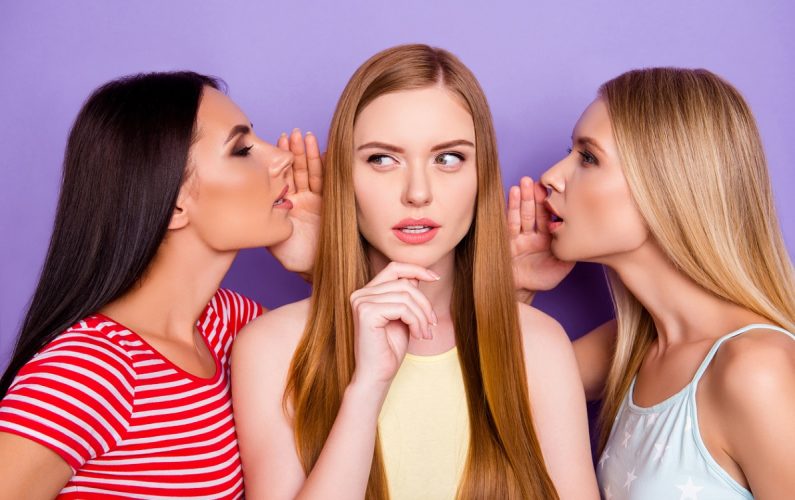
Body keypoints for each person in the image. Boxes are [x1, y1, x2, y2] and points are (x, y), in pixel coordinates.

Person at [232, 44, 598, 500]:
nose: (418, 193)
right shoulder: (271, 348)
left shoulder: (539, 343)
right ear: (344, 177)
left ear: (482, 175)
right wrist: (367, 389)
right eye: (382, 159)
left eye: (448, 158)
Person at [0, 71, 322, 498]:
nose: (280, 157)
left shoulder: (231, 324)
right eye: (242, 149)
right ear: (174, 204)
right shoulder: (90, 371)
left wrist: (320, 270)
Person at [510, 67, 795, 499]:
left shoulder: (755, 369)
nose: (551, 175)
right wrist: (517, 290)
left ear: (665, 185)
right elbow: (501, 395)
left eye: (588, 158)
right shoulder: (632, 346)